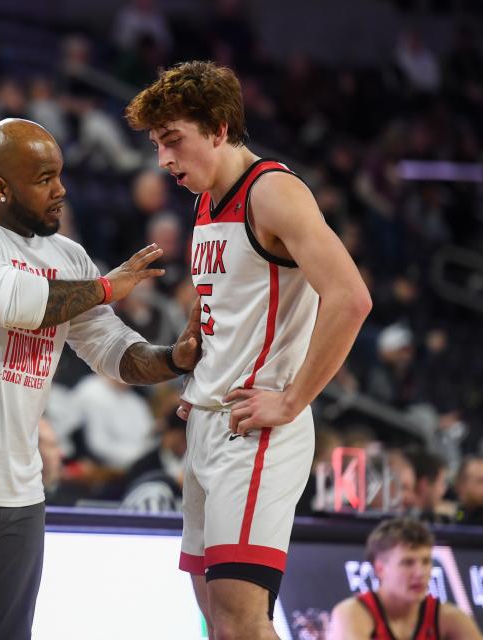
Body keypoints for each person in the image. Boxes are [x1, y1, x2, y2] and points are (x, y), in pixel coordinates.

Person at [0, 117, 202, 640]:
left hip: (18, 494)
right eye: (45, 178)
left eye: (61, 175)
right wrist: (107, 287)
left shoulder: (67, 256)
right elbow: (14, 302)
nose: (61, 190)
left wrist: (174, 359)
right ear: (0, 188)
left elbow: (112, 349)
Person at [126, 61, 373, 640]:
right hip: (210, 420)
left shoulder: (274, 192)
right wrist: (195, 359)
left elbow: (350, 298)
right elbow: (218, 296)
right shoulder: (205, 200)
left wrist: (290, 401)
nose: (164, 160)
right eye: (157, 145)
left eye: (172, 141)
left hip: (257, 430)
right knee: (217, 620)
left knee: (241, 620)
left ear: (217, 128)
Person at [327, 518, 483, 639]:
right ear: (380, 569)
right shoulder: (352, 613)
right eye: (408, 563)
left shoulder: (447, 617)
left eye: (426, 561)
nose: (420, 572)